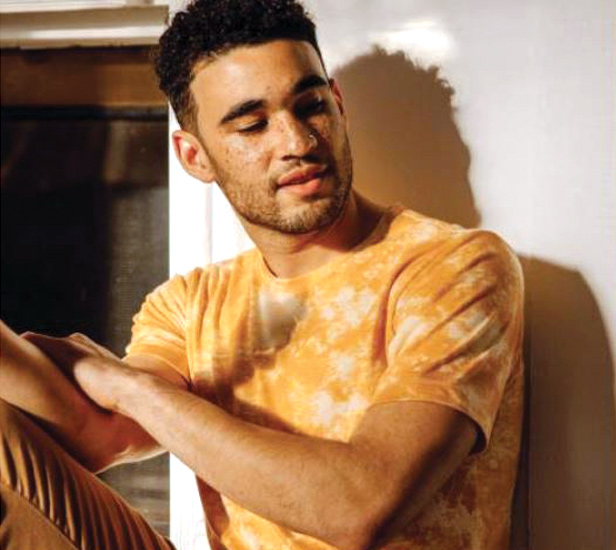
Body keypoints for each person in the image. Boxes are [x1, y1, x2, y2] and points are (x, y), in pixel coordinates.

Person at [0, 0, 524, 549]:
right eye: (253, 125)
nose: (297, 144)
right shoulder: (191, 303)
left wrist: (129, 387)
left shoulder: (454, 267)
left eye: (312, 106)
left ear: (339, 106)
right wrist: (124, 393)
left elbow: (363, 507)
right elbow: (98, 433)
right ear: (194, 156)